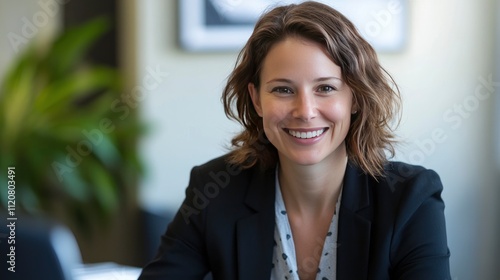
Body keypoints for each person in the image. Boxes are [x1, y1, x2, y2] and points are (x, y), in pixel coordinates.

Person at [139, 1, 451, 279]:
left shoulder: (410, 199)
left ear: (355, 98)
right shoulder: (215, 189)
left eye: (325, 88)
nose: (305, 111)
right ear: (257, 99)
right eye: (283, 89)